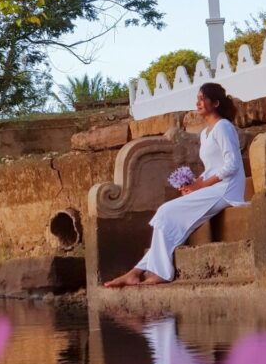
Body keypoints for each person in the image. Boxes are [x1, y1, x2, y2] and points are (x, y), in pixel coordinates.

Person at [104, 82, 246, 287]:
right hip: (214, 186)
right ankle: (134, 272)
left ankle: (161, 273)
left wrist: (201, 186)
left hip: (227, 188)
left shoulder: (223, 126)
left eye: (202, 98)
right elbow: (211, 168)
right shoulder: (206, 133)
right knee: (170, 222)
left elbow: (232, 165)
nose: (198, 102)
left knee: (164, 211)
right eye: (197, 98)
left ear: (215, 103)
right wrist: (193, 184)